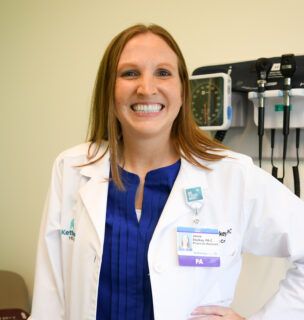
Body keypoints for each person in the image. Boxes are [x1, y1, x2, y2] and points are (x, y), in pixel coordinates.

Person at [29, 23, 304, 320]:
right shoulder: (72, 168)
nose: (146, 88)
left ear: (183, 91)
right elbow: (49, 297)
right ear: (109, 89)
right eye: (129, 73)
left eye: (162, 73)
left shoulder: (232, 176)